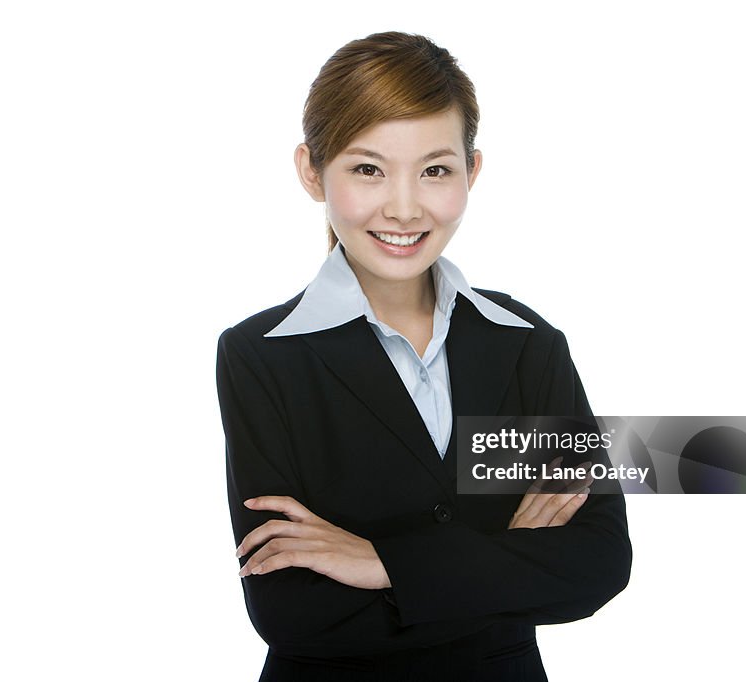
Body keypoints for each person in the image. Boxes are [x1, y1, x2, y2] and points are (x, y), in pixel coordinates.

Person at [216, 31, 631, 682]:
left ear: (472, 171)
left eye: (435, 169)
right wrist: (504, 564)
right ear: (311, 170)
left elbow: (598, 562)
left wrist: (383, 564)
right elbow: (293, 610)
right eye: (367, 169)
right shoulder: (263, 356)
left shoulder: (523, 343)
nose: (404, 207)